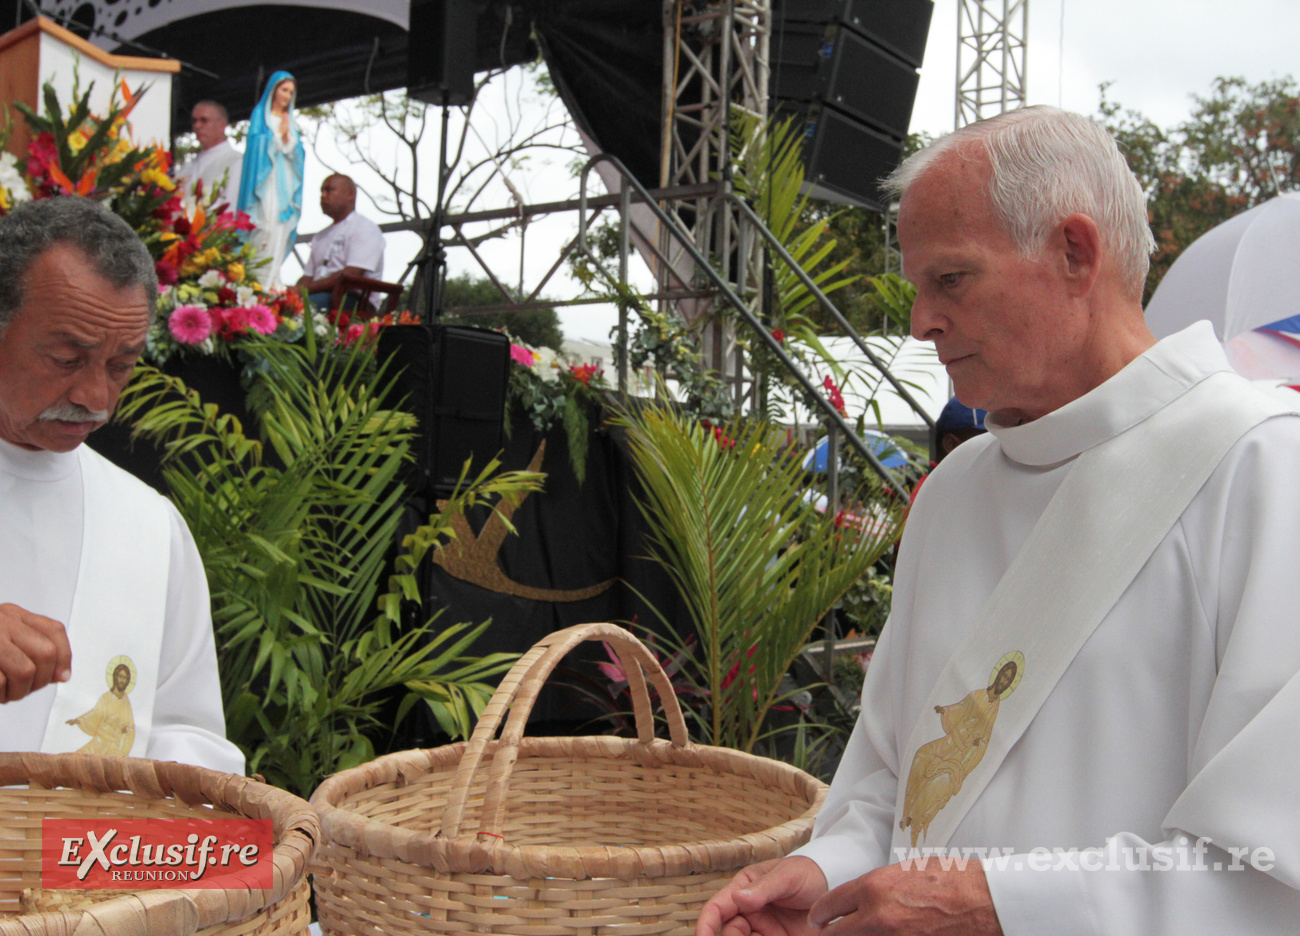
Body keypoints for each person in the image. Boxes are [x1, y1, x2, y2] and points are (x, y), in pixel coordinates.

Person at [698, 106, 1300, 936]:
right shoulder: (955, 488)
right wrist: (825, 872)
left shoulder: (1266, 473)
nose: (920, 322)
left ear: (1074, 253)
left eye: (950, 280)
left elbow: (1271, 876)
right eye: (918, 287)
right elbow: (894, 781)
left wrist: (1000, 908)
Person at [0, 196, 244, 774]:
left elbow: (187, 735)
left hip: (91, 863)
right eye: (66, 358)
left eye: (121, 365)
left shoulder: (148, 526)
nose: (96, 399)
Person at [238, 71, 304, 289]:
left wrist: (287, 139)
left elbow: (297, 153)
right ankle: (258, 282)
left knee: (280, 227)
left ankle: (273, 280)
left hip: (284, 180)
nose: (286, 96)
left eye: (291, 92)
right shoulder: (261, 115)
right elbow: (257, 148)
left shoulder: (289, 121)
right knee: (263, 225)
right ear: (273, 90)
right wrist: (277, 137)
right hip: (265, 183)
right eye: (284, 90)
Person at [295, 173, 385, 311]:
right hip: (319, 295)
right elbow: (308, 276)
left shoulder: (365, 228)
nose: (323, 196)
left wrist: (305, 290)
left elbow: (352, 275)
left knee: (305, 308)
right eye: (322, 191)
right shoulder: (320, 236)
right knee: (281, 306)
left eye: (329, 190)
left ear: (350, 194)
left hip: (354, 300)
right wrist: (291, 292)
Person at [173, 100, 243, 203]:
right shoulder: (187, 167)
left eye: (204, 120)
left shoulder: (237, 162)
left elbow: (230, 204)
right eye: (194, 121)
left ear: (222, 125)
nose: (197, 126)